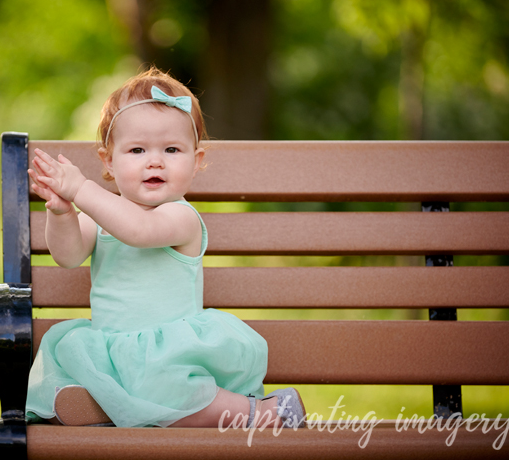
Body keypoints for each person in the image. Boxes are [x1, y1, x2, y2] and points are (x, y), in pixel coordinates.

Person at [24, 67, 305, 429]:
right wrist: (62, 213)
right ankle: (105, 410)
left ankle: (261, 413)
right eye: (137, 149)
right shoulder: (101, 217)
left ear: (196, 161)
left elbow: (139, 230)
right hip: (114, 350)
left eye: (172, 149)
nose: (154, 160)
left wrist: (81, 191)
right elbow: (68, 256)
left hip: (169, 353)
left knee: (167, 385)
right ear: (108, 161)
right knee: (90, 368)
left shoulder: (179, 217)